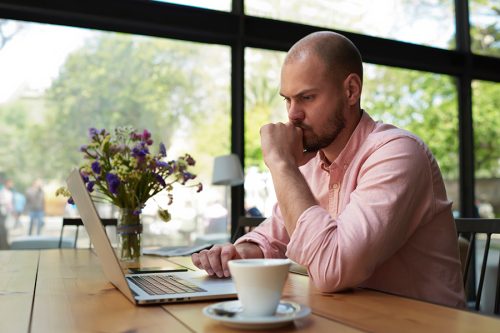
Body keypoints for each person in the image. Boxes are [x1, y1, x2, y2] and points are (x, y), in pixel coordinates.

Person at [192, 31, 465, 308]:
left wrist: (281, 162)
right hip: (351, 317)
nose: (293, 114)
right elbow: (273, 237)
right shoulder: (312, 164)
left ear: (350, 91)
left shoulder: (398, 153)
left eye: (307, 98)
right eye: (288, 99)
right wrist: (237, 254)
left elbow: (333, 270)